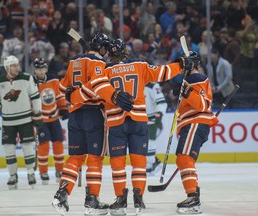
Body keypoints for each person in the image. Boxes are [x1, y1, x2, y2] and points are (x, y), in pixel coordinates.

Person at [68, 38, 188, 216]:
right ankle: (138, 199)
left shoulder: (104, 70)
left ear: (109, 52)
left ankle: (121, 201)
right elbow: (163, 72)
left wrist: (72, 96)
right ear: (125, 50)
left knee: (118, 165)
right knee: (139, 164)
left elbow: (92, 93)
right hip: (139, 120)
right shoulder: (140, 65)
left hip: (116, 124)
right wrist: (182, 64)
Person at [51, 32, 133, 216]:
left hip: (74, 115)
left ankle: (61, 194)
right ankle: (92, 201)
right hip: (93, 114)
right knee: (95, 158)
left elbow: (63, 89)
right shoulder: (99, 63)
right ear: (102, 48)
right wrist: (115, 96)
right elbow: (99, 85)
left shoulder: (73, 62)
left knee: (75, 158)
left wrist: (74, 94)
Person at [172, 51, 219, 214]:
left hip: (196, 122)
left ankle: (193, 198)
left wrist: (185, 91)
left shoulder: (197, 79)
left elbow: (201, 105)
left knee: (184, 157)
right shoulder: (189, 80)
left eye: (185, 63)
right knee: (183, 158)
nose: (182, 66)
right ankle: (193, 193)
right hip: (191, 123)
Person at [0, 55, 43, 190]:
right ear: (7, 67)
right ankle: (13, 175)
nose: (16, 67)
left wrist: (37, 113)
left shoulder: (26, 78)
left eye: (17, 65)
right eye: (13, 65)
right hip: (8, 121)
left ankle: (31, 173)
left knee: (27, 146)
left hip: (25, 119)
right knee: (8, 149)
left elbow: (35, 97)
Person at [33, 58, 68, 185]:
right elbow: (30, 101)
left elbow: (59, 96)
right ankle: (43, 172)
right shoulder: (31, 82)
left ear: (46, 69)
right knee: (43, 146)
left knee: (58, 144)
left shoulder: (53, 79)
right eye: (38, 69)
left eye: (42, 68)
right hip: (40, 120)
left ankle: (60, 171)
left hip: (54, 118)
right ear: (35, 70)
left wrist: (63, 108)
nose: (41, 71)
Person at [144, 82, 167, 173]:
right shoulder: (134, 84)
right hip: (140, 120)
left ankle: (151, 164)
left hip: (153, 121)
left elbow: (162, 102)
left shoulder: (152, 86)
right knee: (141, 144)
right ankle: (155, 162)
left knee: (149, 142)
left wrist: (160, 112)